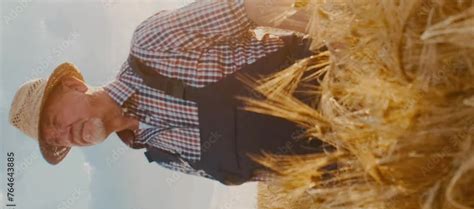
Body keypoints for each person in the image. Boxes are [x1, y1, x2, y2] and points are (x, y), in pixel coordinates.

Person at [8, 0, 323, 185]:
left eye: (54, 119)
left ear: (73, 85)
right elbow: (271, 173)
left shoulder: (150, 44)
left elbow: (251, 8)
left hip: (339, 78)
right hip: (350, 154)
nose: (64, 134)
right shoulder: (160, 155)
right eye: (55, 140)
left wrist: (336, 35)